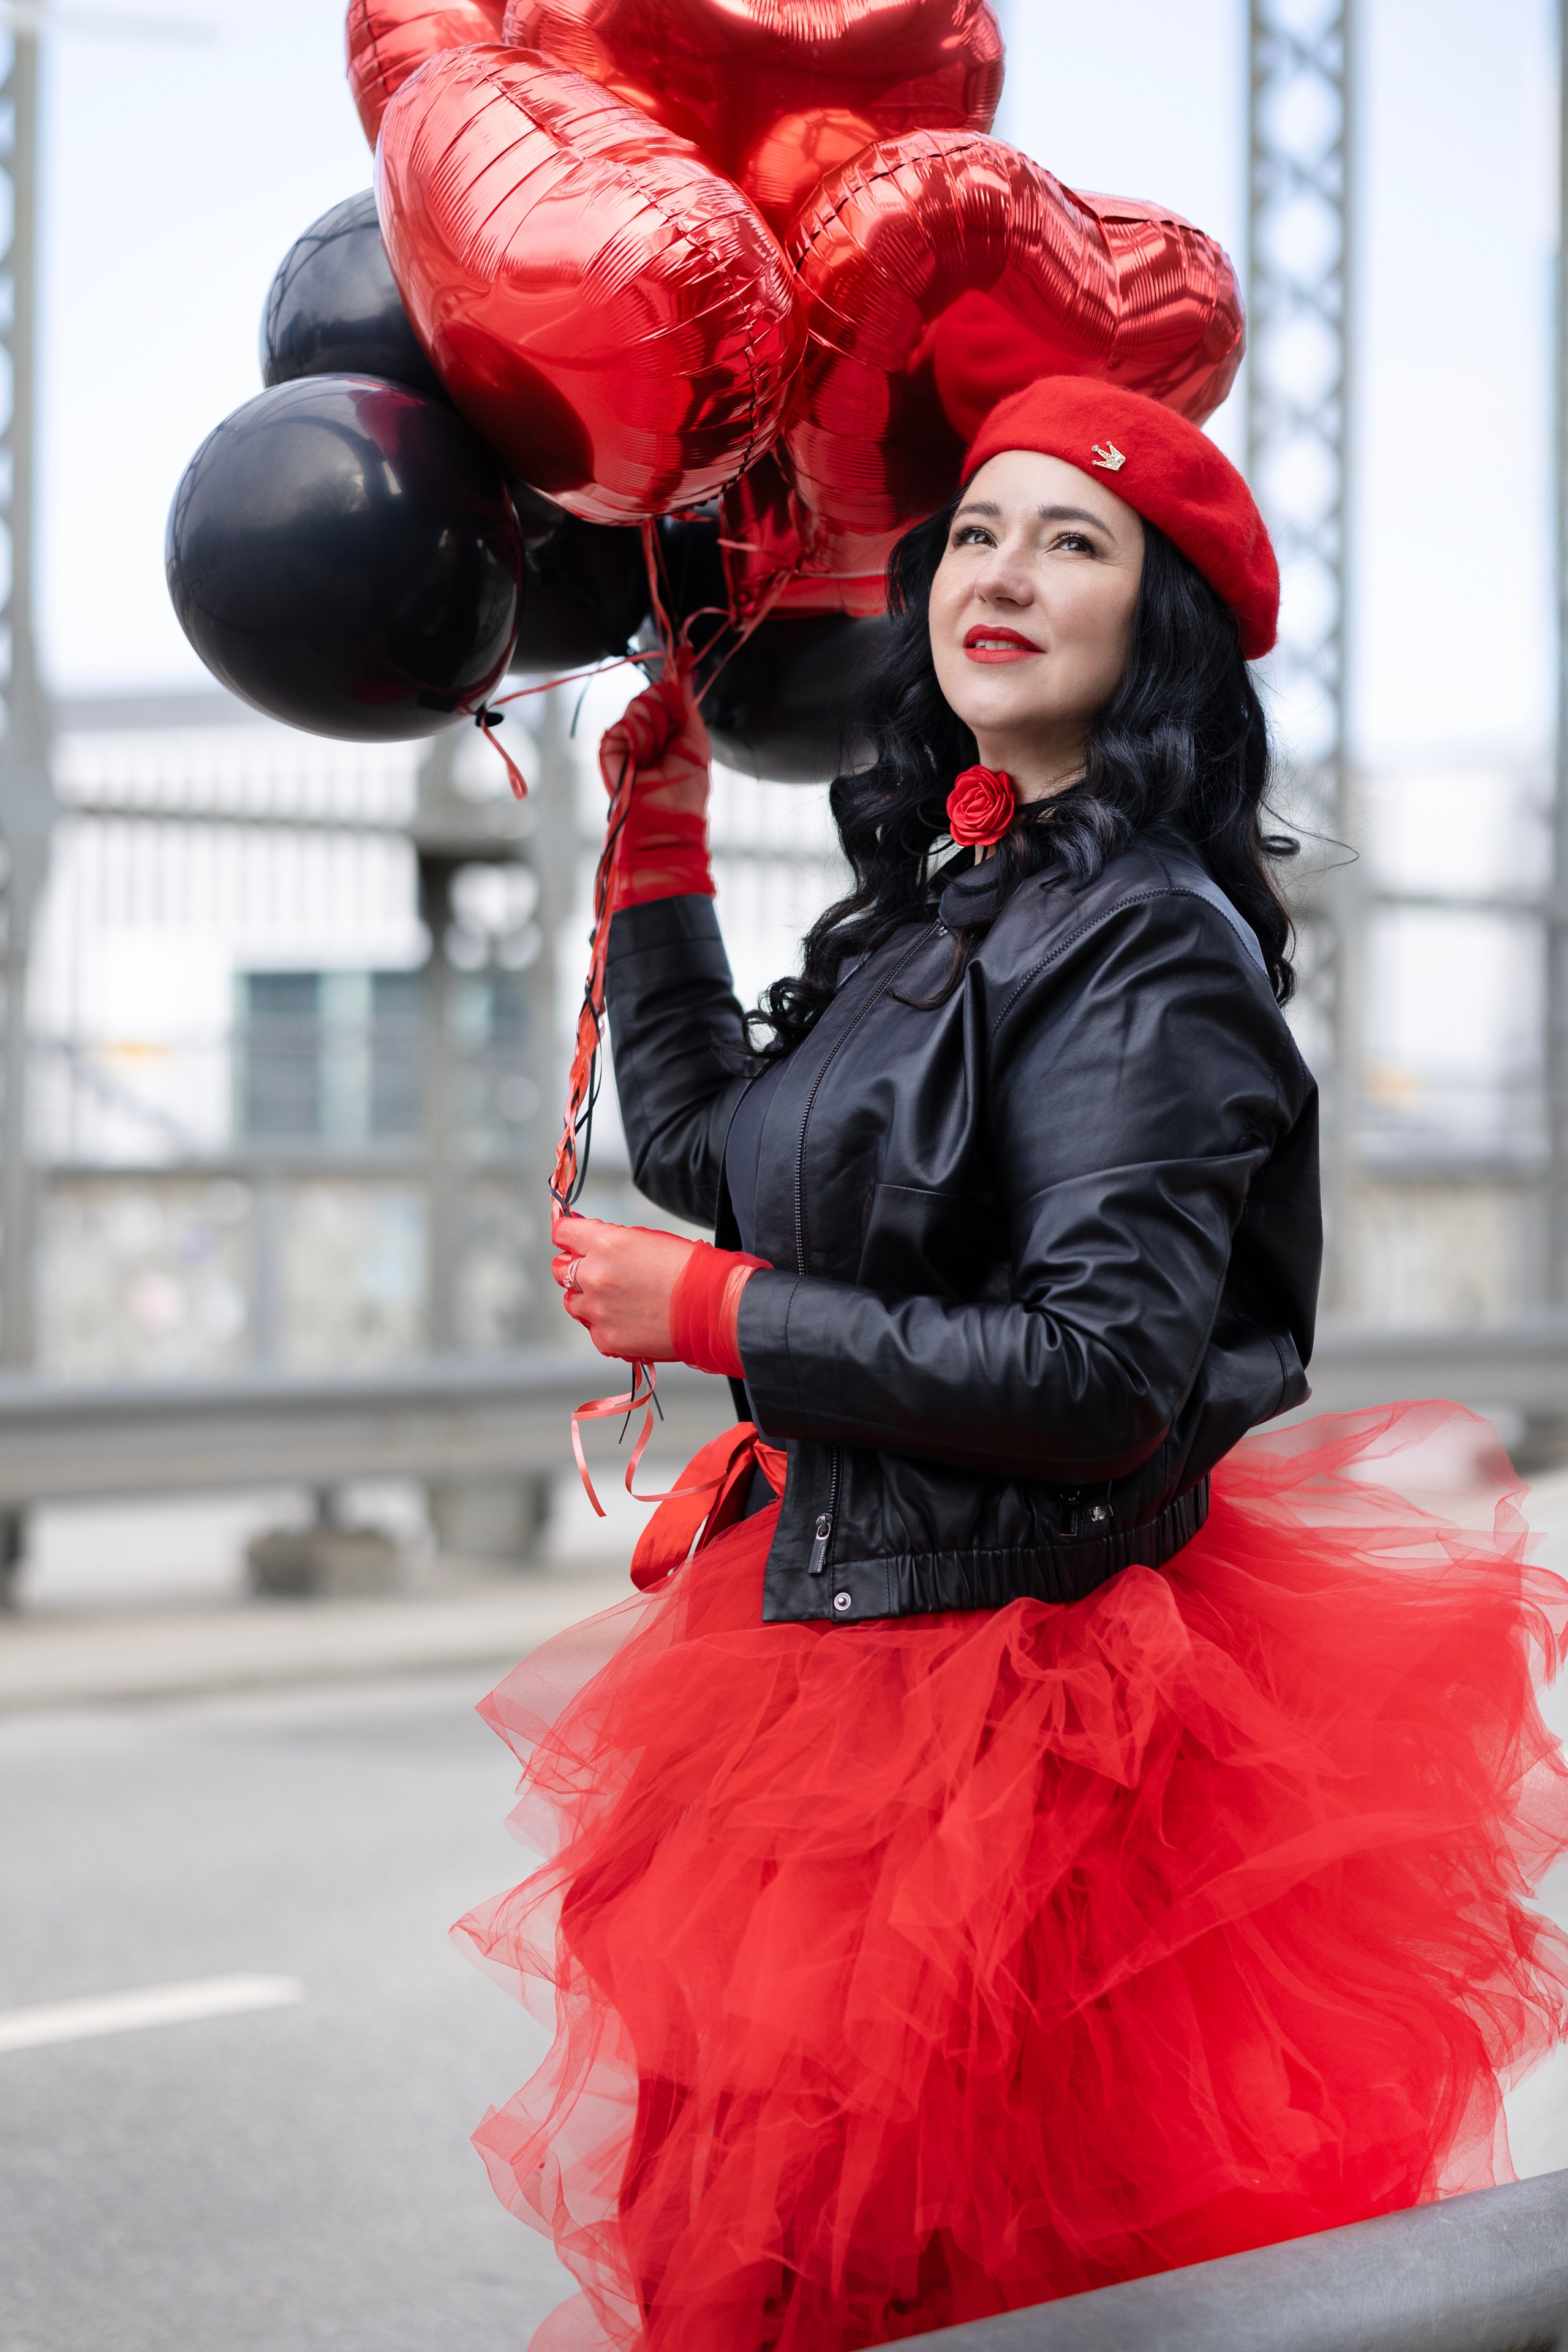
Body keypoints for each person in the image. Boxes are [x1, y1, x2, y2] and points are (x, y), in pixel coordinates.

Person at [457, 378, 1568, 2352]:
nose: (1002, 572)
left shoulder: (1153, 944)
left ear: (1162, 626)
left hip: (1012, 1717)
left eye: (1075, 541)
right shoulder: (955, 891)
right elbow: (738, 1160)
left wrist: (716, 1318)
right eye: (976, 531)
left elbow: (1098, 1377)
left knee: (967, 2281)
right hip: (838, 1644)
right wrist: (661, 862)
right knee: (786, 2264)